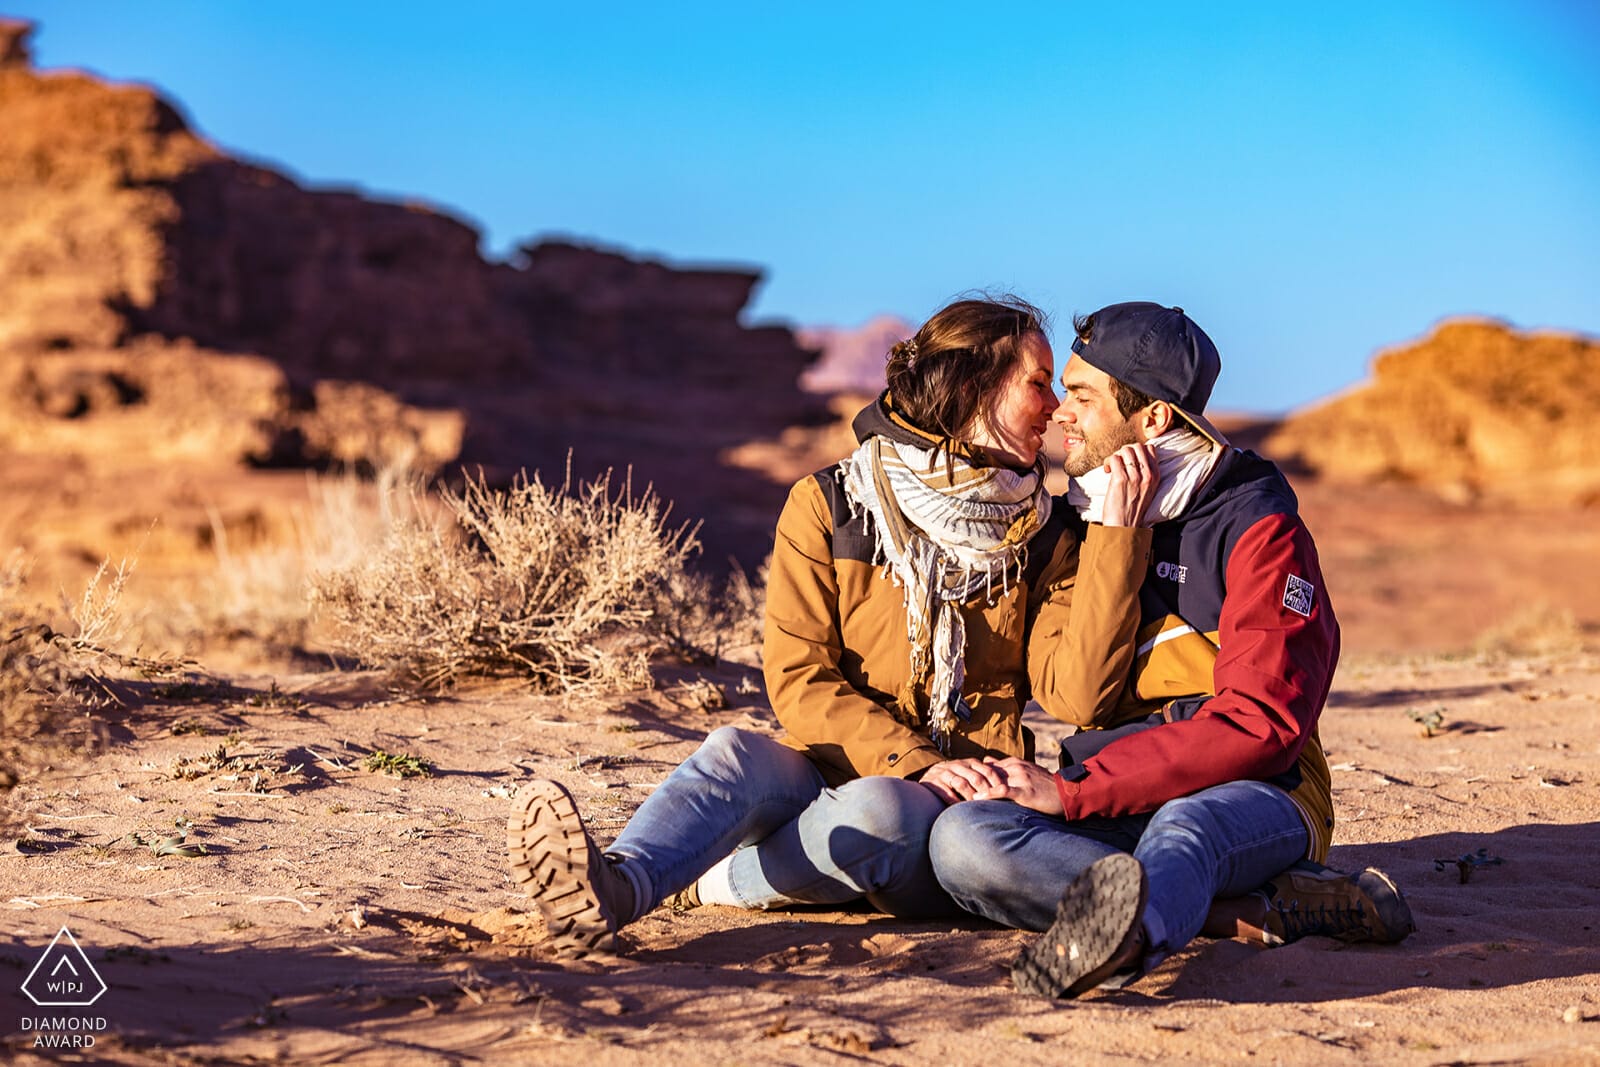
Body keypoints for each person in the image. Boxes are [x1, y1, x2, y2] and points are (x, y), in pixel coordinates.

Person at [506, 295, 1148, 955]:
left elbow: (1079, 694)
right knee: (736, 752)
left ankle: (710, 881)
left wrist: (1118, 538)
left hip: (955, 811)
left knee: (884, 809)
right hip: (826, 768)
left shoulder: (1050, 533)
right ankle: (620, 884)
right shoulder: (832, 503)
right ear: (970, 389)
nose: (1054, 407)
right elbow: (799, 680)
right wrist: (914, 760)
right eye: (1037, 384)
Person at [927, 301, 1414, 999]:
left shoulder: (1259, 529)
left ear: (1153, 418)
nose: (1061, 411)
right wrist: (1113, 540)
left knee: (1187, 825)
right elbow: (1076, 695)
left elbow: (1259, 724)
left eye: (1085, 396)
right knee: (965, 840)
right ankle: (1253, 912)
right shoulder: (1080, 520)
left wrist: (1073, 790)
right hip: (1117, 794)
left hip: (1261, 793)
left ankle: (1126, 940)